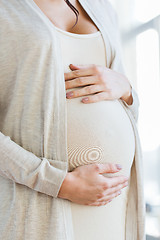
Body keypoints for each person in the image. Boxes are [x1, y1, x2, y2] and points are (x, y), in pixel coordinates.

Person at [0, 0, 145, 239]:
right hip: (41, 204)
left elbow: (128, 111)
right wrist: (58, 183)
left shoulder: (103, 8)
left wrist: (127, 89)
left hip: (114, 205)